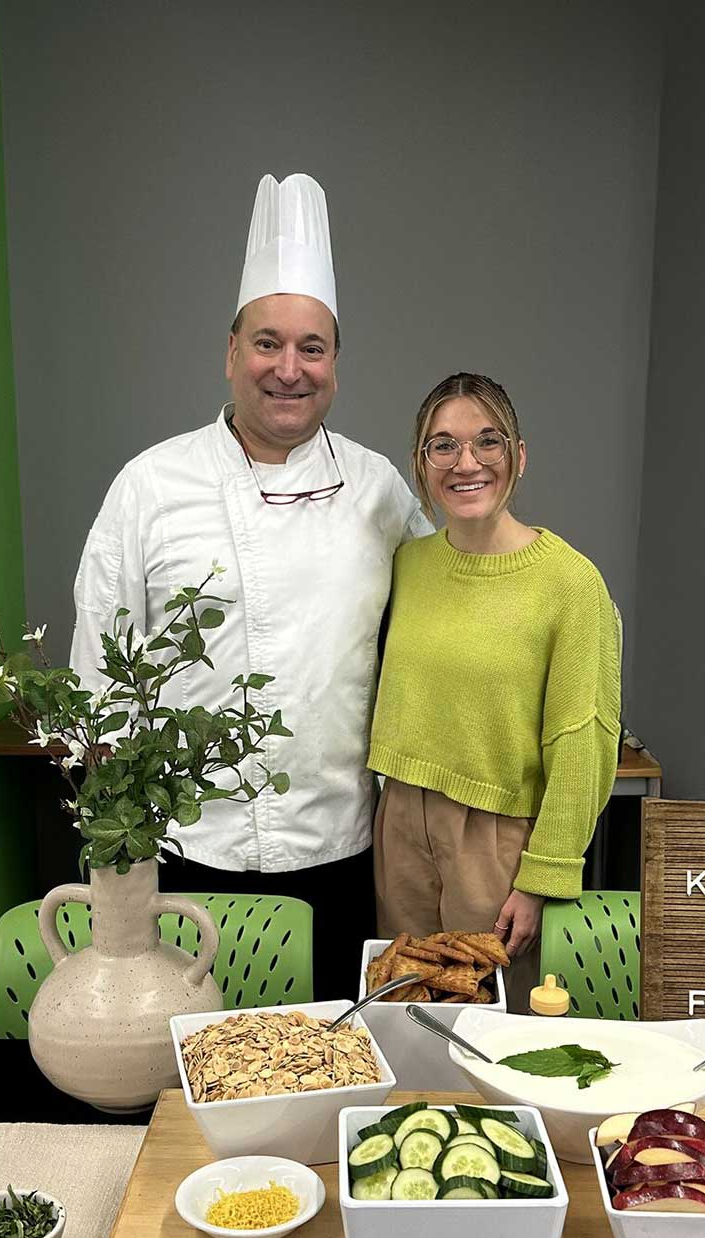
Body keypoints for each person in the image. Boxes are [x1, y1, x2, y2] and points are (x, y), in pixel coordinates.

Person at [70, 174, 431, 998]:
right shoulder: (150, 485)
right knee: (181, 1066)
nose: (289, 369)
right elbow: (100, 668)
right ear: (230, 352)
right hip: (185, 849)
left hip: (340, 849)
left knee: (324, 1067)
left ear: (336, 362)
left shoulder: (380, 490)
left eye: (312, 347)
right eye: (267, 343)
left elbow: (438, 630)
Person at [367, 373, 621, 1011]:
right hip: (400, 822)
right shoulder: (409, 565)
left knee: (487, 1024)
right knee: (404, 1013)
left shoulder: (569, 583)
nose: (466, 462)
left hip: (496, 840)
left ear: (519, 455)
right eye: (442, 445)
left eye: (488, 441)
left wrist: (542, 877)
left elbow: (583, 739)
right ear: (421, 464)